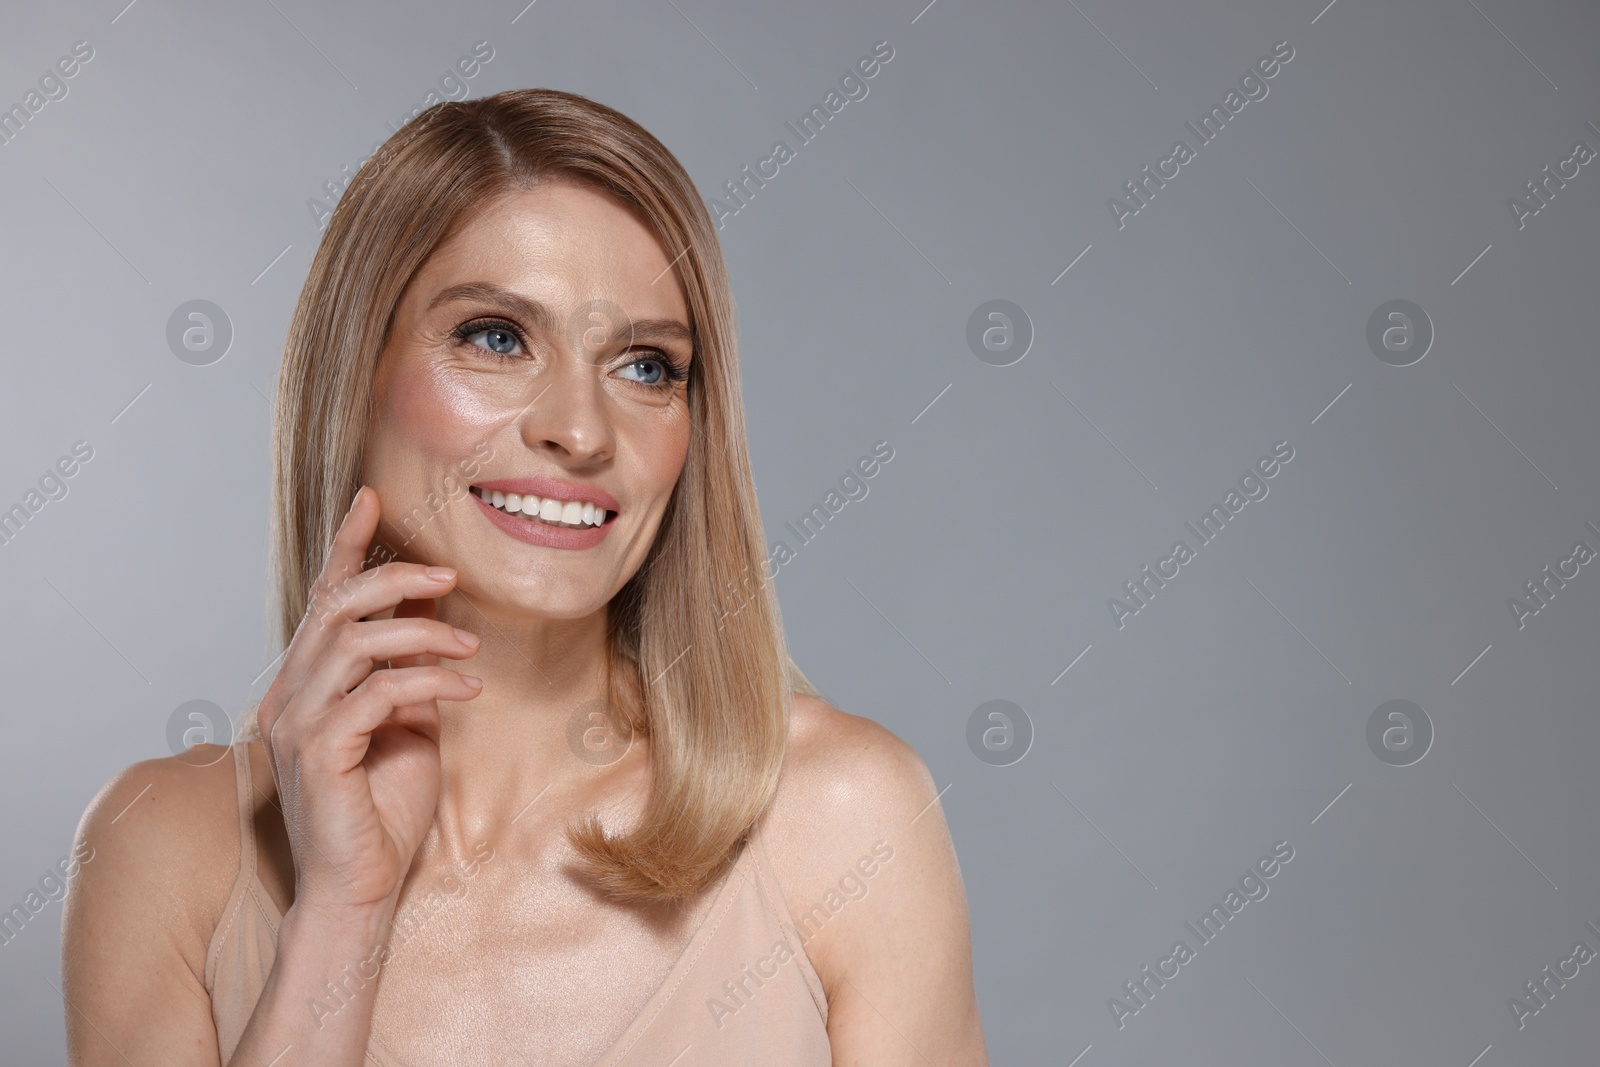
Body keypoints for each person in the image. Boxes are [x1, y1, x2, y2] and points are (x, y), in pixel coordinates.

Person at [61, 88, 986, 1065]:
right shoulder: (162, 848)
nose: (581, 431)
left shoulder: (843, 814)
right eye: (497, 337)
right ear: (356, 371)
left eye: (645, 364)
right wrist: (343, 911)